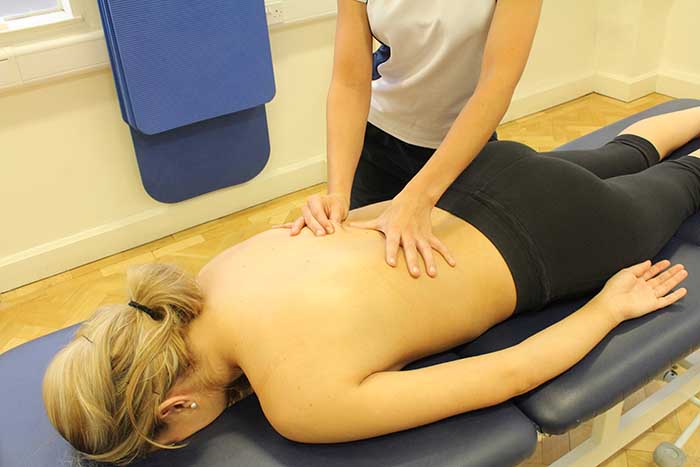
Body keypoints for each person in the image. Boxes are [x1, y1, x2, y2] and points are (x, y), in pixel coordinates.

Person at [43, 108, 700, 466]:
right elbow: (360, 222)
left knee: (687, 181)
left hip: (555, 238)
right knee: (628, 153)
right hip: (478, 178)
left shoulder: (298, 405)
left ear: (172, 408)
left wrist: (610, 306)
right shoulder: (212, 276)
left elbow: (512, 373)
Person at [287, 0, 543, 278]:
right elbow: (349, 82)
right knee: (367, 273)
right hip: (379, 145)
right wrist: (337, 192)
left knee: (453, 279)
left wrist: (420, 197)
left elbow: (497, 83)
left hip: (462, 153)